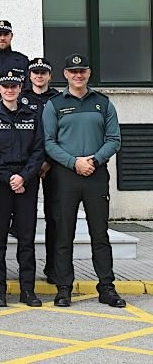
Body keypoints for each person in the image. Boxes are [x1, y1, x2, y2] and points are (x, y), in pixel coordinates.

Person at [44, 54, 125, 309]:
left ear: (89, 73)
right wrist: (73, 162)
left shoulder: (103, 103)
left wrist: (94, 161)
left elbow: (114, 139)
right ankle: (64, 288)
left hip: (96, 174)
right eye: (73, 71)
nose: (78, 75)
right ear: (65, 74)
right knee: (63, 234)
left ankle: (106, 287)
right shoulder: (54, 104)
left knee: (99, 234)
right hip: (65, 175)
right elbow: (48, 142)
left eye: (82, 71)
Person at [0, 71, 45, 308]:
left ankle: (27, 290)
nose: (10, 90)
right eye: (5, 86)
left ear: (21, 88)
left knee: (26, 240)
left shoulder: (32, 115)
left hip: (26, 184)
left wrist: (23, 176)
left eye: (14, 86)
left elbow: (39, 150)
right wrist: (9, 177)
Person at [23, 56, 60, 283]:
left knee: (54, 218)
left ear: (50, 76)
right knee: (26, 220)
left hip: (53, 165)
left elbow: (62, 133)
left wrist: (48, 161)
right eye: (35, 72)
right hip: (28, 166)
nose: (39, 76)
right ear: (30, 76)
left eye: (43, 72)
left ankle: (53, 267)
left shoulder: (58, 99)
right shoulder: (21, 97)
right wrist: (33, 165)